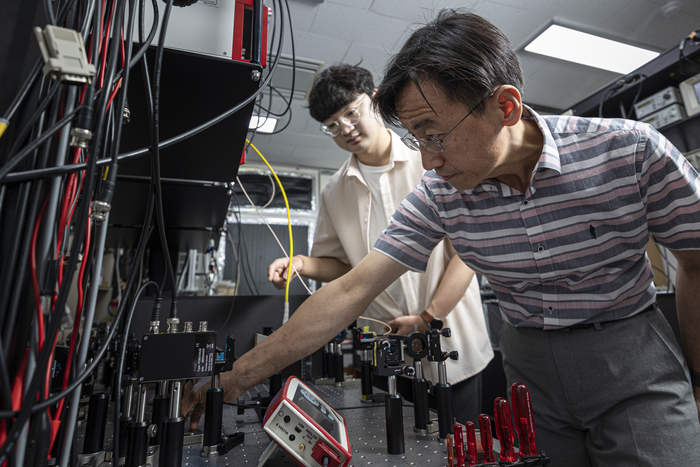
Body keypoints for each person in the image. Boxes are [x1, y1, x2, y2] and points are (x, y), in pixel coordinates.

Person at [182, 9, 700, 465]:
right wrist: (233, 379)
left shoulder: (631, 152)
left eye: (434, 135)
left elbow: (696, 262)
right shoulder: (442, 191)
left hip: (632, 355)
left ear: (506, 106)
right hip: (530, 368)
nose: (427, 159)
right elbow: (350, 289)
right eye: (417, 140)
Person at [266, 64, 494, 424]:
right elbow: (345, 269)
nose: (346, 129)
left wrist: (427, 317)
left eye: (351, 113)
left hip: (454, 343)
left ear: (373, 99)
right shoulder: (334, 191)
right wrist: (301, 264)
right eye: (332, 126)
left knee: (460, 447)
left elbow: (466, 254)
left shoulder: (432, 160)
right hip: (391, 349)